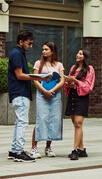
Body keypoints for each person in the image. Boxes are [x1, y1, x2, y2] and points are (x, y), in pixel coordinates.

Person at [7, 29, 51, 162]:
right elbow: (19, 75)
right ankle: (18, 151)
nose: (31, 46)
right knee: (22, 122)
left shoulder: (18, 53)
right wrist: (38, 78)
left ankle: (15, 150)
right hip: (19, 92)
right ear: (21, 41)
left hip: (19, 92)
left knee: (19, 122)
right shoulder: (17, 54)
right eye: (29, 43)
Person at [29, 42, 65, 159]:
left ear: (52, 51)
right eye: (43, 49)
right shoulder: (38, 64)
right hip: (42, 95)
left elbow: (62, 81)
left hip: (55, 96)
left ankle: (48, 147)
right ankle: (34, 148)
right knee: (41, 119)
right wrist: (44, 91)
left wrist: (52, 91)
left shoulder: (59, 65)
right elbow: (35, 80)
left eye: (46, 49)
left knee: (53, 119)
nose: (44, 51)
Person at [64, 49, 95, 160]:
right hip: (72, 96)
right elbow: (67, 84)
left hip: (81, 97)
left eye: (81, 54)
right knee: (76, 124)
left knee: (78, 123)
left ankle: (75, 150)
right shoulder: (73, 68)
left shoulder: (89, 69)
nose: (77, 55)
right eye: (77, 53)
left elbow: (88, 86)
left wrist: (76, 81)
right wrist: (68, 83)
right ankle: (81, 149)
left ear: (85, 56)